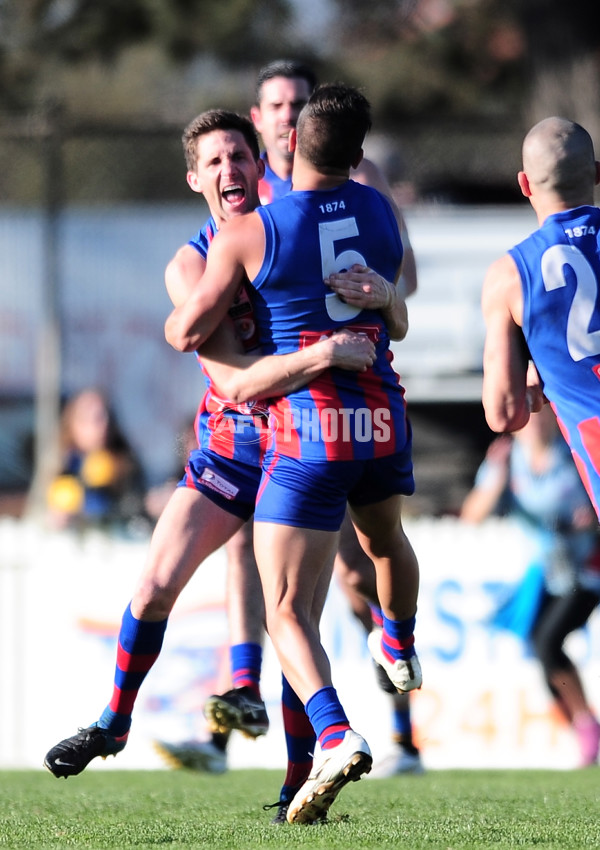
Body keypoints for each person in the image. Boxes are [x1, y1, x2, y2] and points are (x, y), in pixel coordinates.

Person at [43, 110, 377, 782]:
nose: (230, 171)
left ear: (261, 166)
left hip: (305, 444)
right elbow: (233, 378)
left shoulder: (293, 233)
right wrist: (325, 356)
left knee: (300, 618)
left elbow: (371, 299)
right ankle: (114, 721)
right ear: (195, 178)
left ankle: (296, 777)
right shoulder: (191, 263)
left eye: (239, 157)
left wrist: (384, 298)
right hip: (230, 450)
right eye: (215, 162)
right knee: (153, 586)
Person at [165, 82, 422, 824]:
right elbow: (396, 314)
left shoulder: (253, 230)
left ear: (291, 145)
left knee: (286, 608)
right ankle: (397, 641)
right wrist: (383, 300)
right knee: (385, 543)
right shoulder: (381, 209)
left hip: (312, 428)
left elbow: (187, 331)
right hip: (385, 415)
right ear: (358, 152)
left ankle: (336, 733)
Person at [461, 405, 600, 767]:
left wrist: (590, 520)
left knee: (548, 640)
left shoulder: (572, 452)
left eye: (542, 415)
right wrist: (496, 478)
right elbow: (473, 515)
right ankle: (581, 728)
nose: (536, 422)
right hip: (544, 574)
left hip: (586, 570)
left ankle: (586, 725)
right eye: (529, 416)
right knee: (541, 648)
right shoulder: (508, 459)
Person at [481, 115, 600, 519]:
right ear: (597, 174)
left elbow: (504, 414)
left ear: (525, 184)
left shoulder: (509, 275)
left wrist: (543, 373)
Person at [45, 387, 147, 532]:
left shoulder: (125, 462)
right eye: (93, 418)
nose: (103, 425)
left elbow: (135, 507)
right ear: (73, 425)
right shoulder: (63, 465)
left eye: (105, 417)